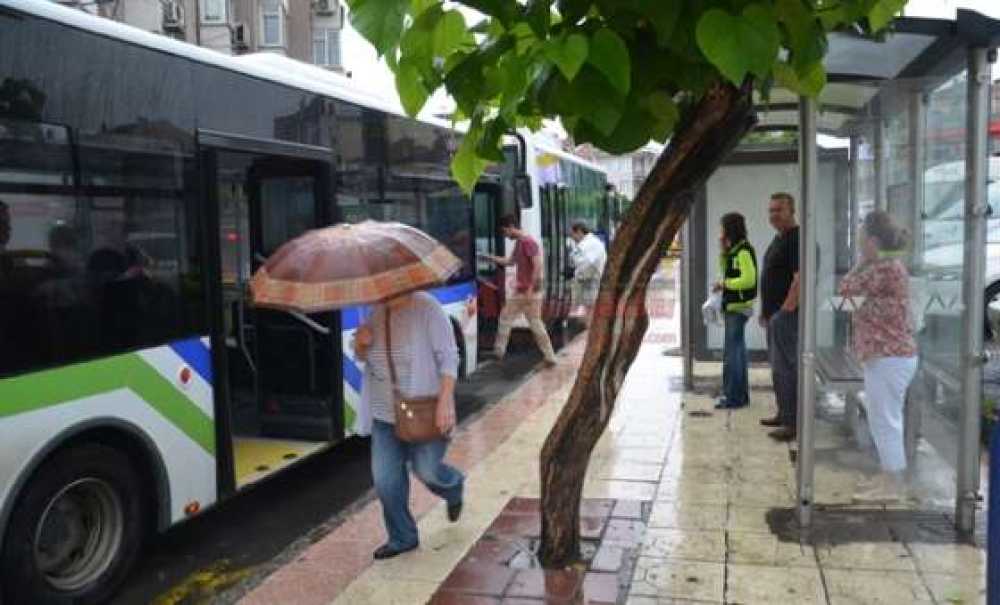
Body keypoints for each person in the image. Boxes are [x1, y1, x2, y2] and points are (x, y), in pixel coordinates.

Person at [353, 291, 465, 559]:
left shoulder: (428, 308)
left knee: (427, 471)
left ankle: (454, 487)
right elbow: (364, 358)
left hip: (423, 410)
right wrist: (361, 345)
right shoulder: (374, 311)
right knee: (385, 482)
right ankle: (402, 537)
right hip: (384, 414)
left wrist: (446, 401)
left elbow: (449, 357)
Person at [838, 211, 917, 502]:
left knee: (885, 421)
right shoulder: (886, 265)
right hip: (885, 355)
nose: (859, 245)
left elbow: (845, 290)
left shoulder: (884, 268)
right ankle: (888, 477)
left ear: (872, 240)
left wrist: (859, 265)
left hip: (889, 356)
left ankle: (892, 485)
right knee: (883, 419)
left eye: (861, 239)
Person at [480, 214, 558, 367]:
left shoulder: (528, 242)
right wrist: (490, 258)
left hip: (527, 291)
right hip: (526, 290)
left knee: (509, 318)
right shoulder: (521, 242)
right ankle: (549, 356)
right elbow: (510, 262)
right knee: (532, 322)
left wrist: (529, 288)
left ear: (511, 226)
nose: (505, 235)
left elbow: (538, 265)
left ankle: (499, 352)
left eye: (505, 231)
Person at [759, 192, 801, 441]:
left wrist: (784, 311)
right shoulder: (780, 238)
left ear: (791, 211)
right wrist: (766, 313)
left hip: (787, 318)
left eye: (779, 210)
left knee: (786, 369)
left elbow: (800, 279)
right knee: (778, 369)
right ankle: (783, 413)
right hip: (775, 316)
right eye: (771, 210)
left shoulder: (796, 239)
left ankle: (792, 423)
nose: (773, 215)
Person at [713, 213, 757, 409]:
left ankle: (733, 398)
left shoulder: (743, 252)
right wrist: (723, 251)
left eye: (722, 228)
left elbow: (749, 280)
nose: (720, 232)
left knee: (732, 355)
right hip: (735, 307)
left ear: (729, 229)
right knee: (737, 353)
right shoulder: (735, 251)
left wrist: (725, 284)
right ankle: (740, 396)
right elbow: (726, 270)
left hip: (738, 308)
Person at [569, 221, 607, 327]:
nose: (573, 238)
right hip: (591, 281)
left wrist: (577, 272)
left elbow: (587, 263)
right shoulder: (591, 242)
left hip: (591, 281)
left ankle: (589, 333)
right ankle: (589, 331)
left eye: (573, 234)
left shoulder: (589, 244)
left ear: (580, 232)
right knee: (589, 309)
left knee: (590, 310)